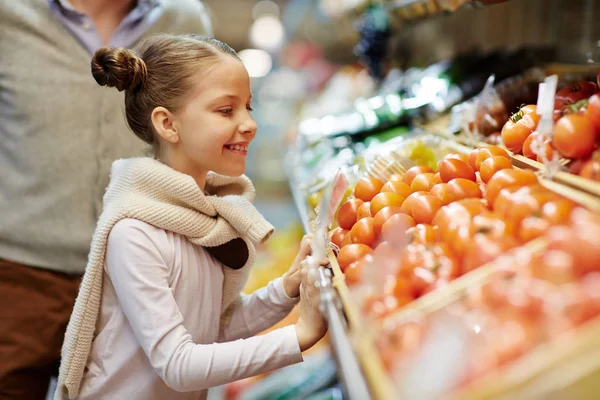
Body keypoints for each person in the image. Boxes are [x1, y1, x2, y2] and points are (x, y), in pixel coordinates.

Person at [54, 34, 329, 400]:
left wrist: (287, 289)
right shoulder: (135, 233)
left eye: (249, 107)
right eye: (226, 110)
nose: (249, 124)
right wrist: (300, 335)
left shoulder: (203, 218)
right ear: (168, 125)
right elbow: (178, 364)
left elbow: (216, 326)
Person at [0, 1, 212, 398]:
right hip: (16, 276)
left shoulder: (183, 20)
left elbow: (202, 137)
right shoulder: (9, 16)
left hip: (139, 278)